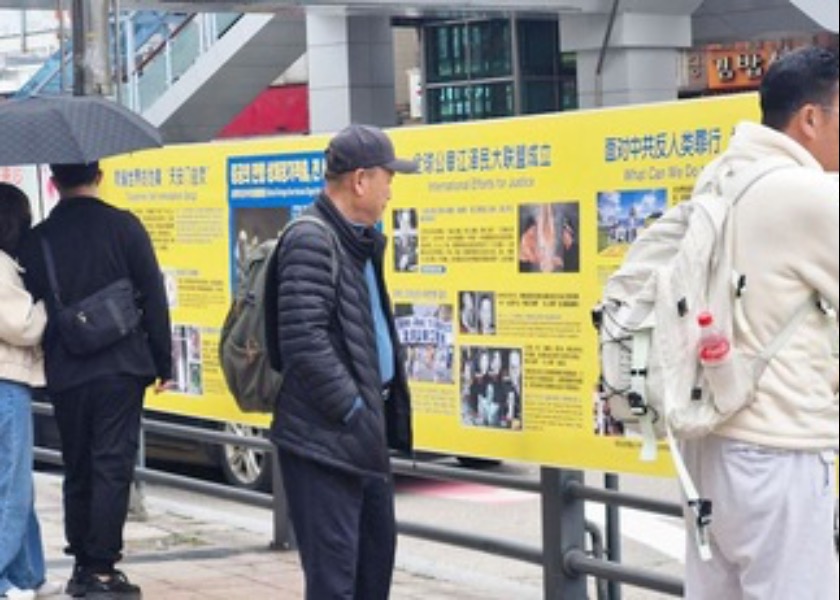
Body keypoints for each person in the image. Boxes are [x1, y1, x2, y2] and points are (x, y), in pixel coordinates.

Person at [681, 46, 839, 600]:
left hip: (712, 449)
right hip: (780, 449)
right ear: (811, 119)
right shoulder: (809, 194)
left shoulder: (722, 177)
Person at [267, 124, 415, 599]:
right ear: (360, 180)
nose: (392, 190)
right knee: (336, 582)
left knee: (372, 572)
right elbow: (302, 341)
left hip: (358, 436)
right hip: (327, 439)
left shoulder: (358, 241)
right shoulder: (313, 239)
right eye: (388, 177)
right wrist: (352, 409)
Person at [18, 163, 172, 599]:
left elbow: (30, 303)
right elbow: (153, 296)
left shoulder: (39, 239)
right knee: (112, 463)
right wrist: (163, 360)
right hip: (121, 367)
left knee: (79, 464)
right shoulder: (125, 228)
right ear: (99, 175)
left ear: (53, 181)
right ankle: (102, 570)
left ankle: (82, 563)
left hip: (67, 369)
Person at [0, 183, 62, 600]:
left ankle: (28, 575)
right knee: (13, 487)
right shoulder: (1, 266)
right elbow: (20, 326)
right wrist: (47, 306)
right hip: (6, 383)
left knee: (15, 484)